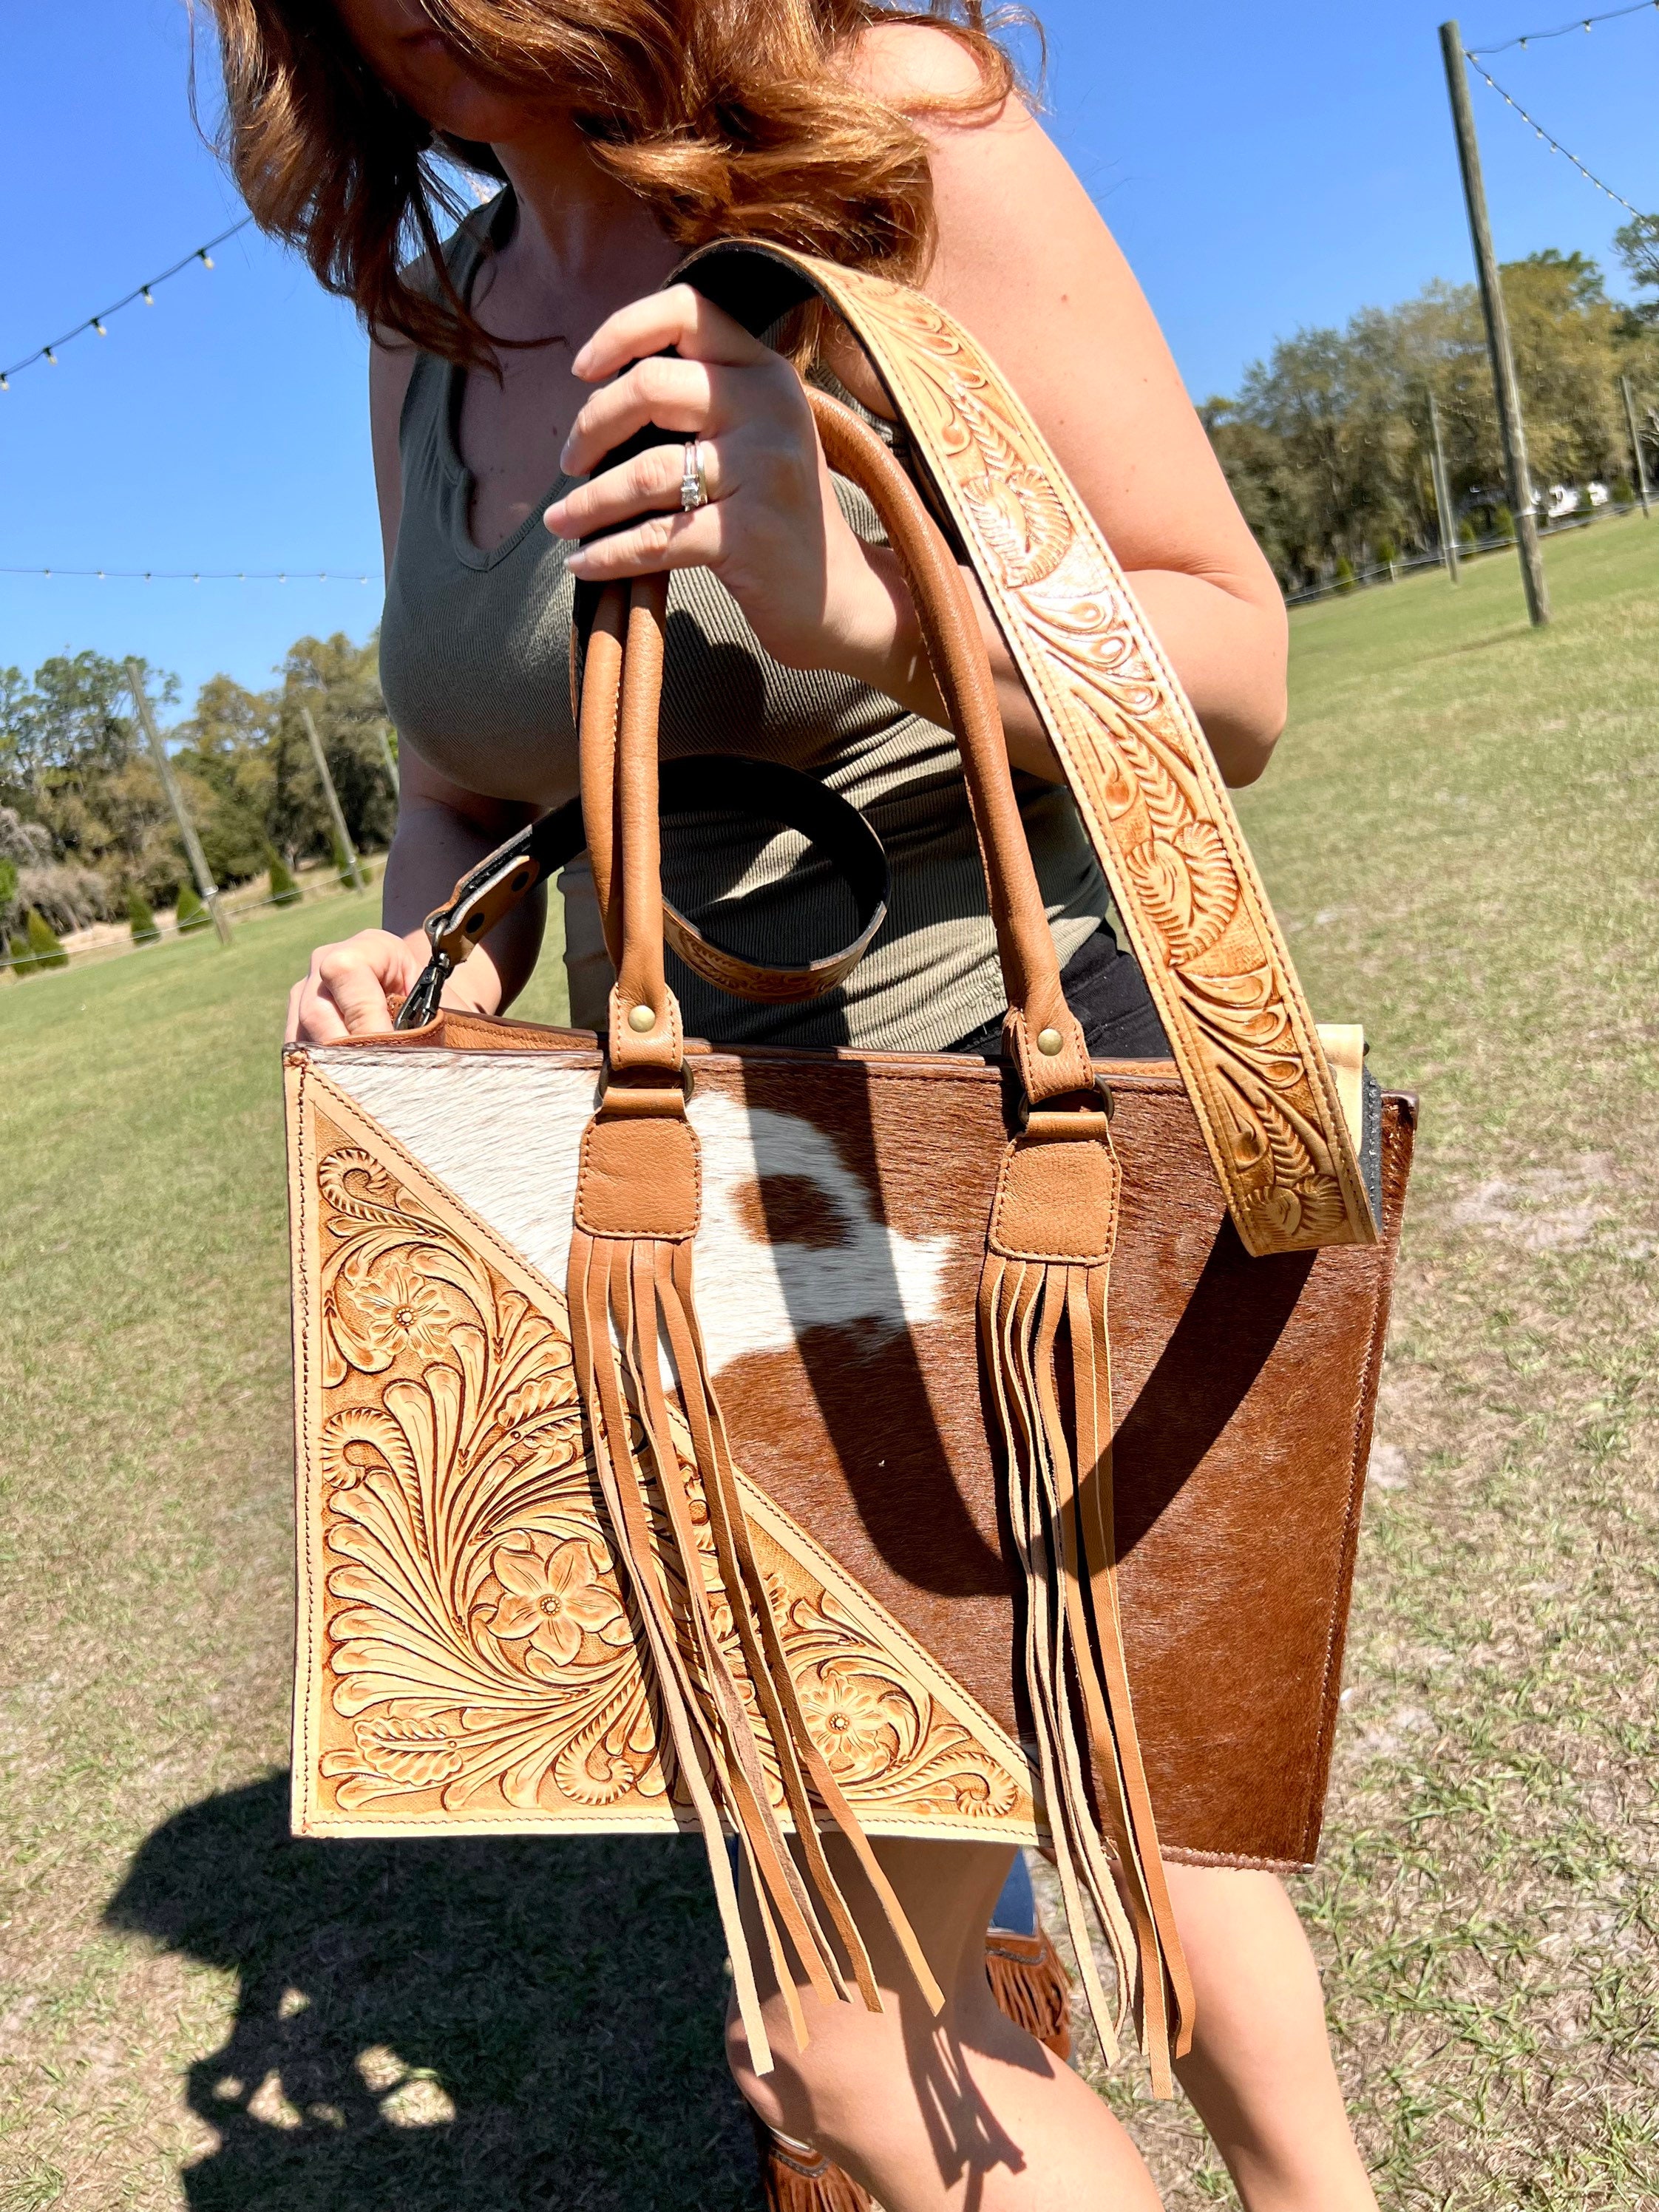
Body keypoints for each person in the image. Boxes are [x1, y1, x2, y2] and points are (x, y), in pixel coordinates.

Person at [211, 1, 1379, 2204]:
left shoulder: (899, 124)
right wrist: (422, 953)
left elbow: (1228, 657)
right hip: (697, 1211)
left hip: (1012, 1139)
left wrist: (857, 600)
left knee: (864, 2040)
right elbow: (472, 760)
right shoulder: (440, 321)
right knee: (1115, 1780)